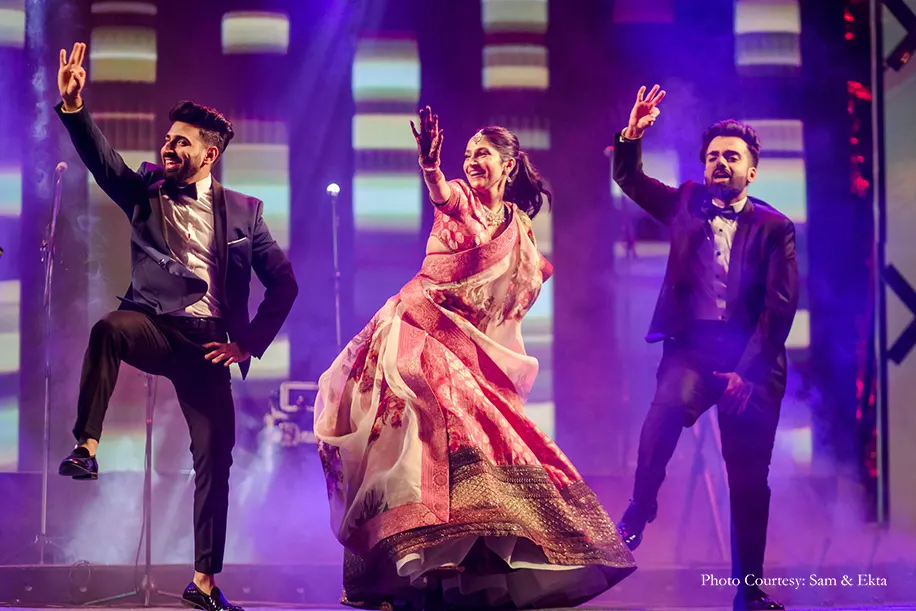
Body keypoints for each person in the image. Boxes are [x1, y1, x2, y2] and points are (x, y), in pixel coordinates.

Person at [314, 106, 636, 610]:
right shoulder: (460, 197)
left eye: (481, 153)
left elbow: (520, 290)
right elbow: (443, 195)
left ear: (508, 164)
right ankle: (416, 556)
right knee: (439, 423)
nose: (470, 161)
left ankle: (466, 561)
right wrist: (430, 168)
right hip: (420, 332)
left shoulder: (519, 225)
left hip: (471, 350)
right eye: (466, 154)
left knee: (490, 440)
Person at [54, 42, 298, 611]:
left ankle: (203, 584)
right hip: (153, 325)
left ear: (210, 154)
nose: (168, 145)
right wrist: (75, 107)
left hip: (208, 345)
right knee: (108, 329)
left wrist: (246, 344)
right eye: (167, 138)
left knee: (216, 459)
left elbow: (284, 284)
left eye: (181, 141)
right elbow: (102, 159)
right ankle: (86, 447)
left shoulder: (246, 212)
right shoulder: (144, 189)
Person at [612, 85, 799, 611]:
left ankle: (749, 592)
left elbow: (780, 308)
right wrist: (632, 134)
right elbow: (630, 179)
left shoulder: (775, 227)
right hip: (692, 351)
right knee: (663, 413)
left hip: (752, 360)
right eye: (714, 155)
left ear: (751, 171)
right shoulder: (687, 202)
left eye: (732, 156)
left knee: (749, 480)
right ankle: (639, 508)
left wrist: (747, 372)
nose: (721, 163)